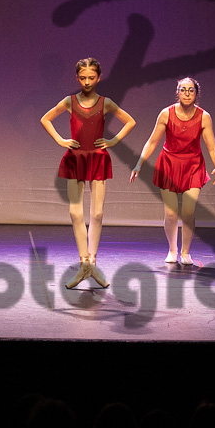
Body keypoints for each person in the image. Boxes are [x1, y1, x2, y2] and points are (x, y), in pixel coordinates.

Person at [39, 58, 137, 288]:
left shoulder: (105, 103)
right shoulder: (70, 101)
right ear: (77, 78)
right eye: (82, 78)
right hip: (75, 158)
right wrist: (61, 140)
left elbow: (130, 121)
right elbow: (46, 119)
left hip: (97, 158)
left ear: (98, 78)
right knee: (75, 213)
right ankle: (84, 263)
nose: (86, 82)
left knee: (97, 213)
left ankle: (92, 262)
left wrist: (112, 141)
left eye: (91, 78)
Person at [130, 77, 215, 267]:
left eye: (191, 90)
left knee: (188, 212)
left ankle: (186, 252)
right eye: (183, 90)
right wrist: (139, 164)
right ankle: (172, 249)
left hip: (193, 165)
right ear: (177, 92)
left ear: (196, 93)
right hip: (169, 164)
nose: (187, 94)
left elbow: (212, 146)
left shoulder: (204, 116)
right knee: (171, 214)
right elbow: (152, 141)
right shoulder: (166, 114)